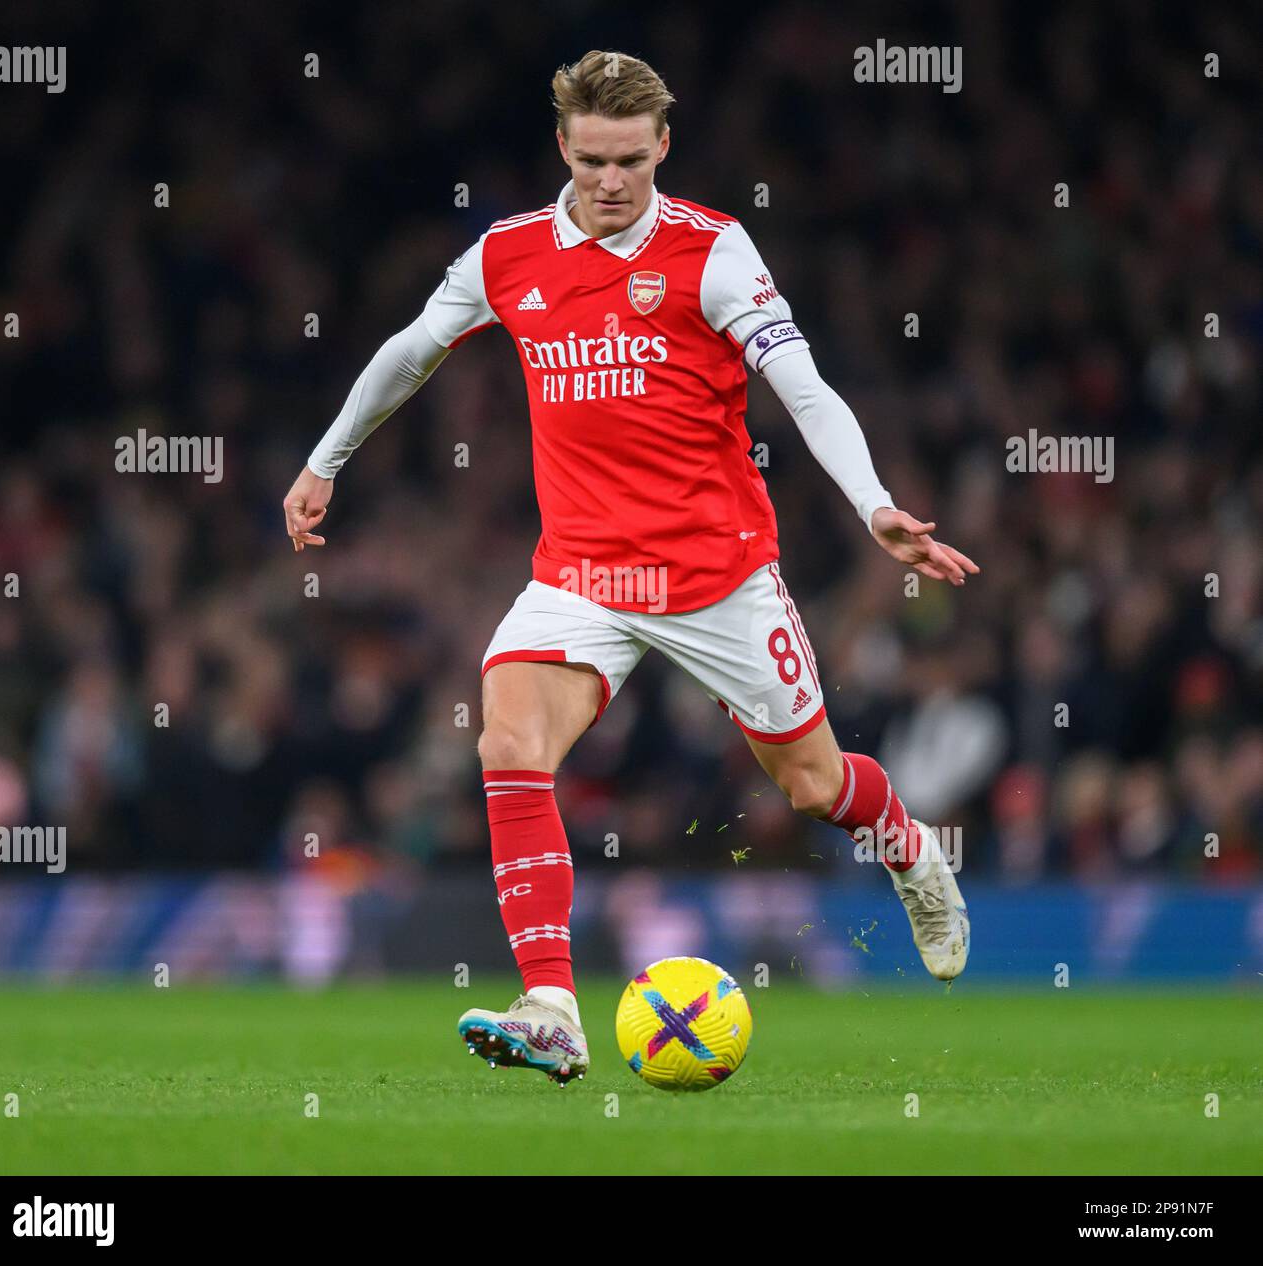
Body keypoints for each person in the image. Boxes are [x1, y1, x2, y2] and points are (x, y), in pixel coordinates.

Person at [284, 50, 977, 1085]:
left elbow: (804, 384)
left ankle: (912, 852)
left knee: (813, 785)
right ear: (563, 146)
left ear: (664, 148)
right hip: (580, 576)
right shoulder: (509, 255)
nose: (611, 182)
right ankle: (553, 1006)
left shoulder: (715, 252)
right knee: (507, 739)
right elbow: (411, 349)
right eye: (594, 160)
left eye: (632, 163)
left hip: (717, 578)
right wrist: (322, 462)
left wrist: (872, 502)